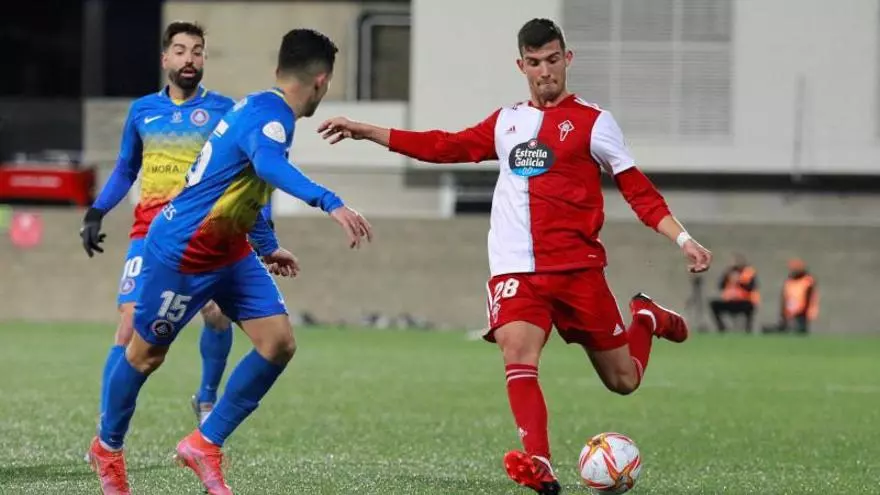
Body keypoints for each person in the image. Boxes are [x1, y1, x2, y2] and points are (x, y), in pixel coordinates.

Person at [318, 18, 711, 495]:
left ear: (568, 60)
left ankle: (645, 317)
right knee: (518, 352)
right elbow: (442, 146)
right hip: (516, 269)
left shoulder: (594, 122)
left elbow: (638, 191)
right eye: (534, 62)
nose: (545, 71)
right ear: (521, 66)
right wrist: (365, 130)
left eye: (553, 60)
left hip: (577, 270)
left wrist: (683, 239)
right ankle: (540, 463)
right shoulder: (506, 122)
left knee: (623, 380)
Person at [85, 28, 372, 495]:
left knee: (277, 343)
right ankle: (107, 448)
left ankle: (204, 443)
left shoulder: (257, 106)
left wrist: (265, 244)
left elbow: (242, 184)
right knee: (144, 355)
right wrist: (330, 201)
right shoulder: (271, 118)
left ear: (280, 70)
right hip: (183, 252)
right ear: (322, 81)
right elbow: (268, 166)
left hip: (232, 250)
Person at [78, 21, 262, 433]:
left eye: (197, 51)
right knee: (129, 323)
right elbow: (126, 169)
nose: (189, 59)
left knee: (217, 314)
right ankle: (108, 424)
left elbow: (246, 172)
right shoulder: (143, 110)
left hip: (203, 233)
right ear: (165, 59)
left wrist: (254, 225)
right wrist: (96, 211)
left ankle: (207, 397)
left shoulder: (225, 110)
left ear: (204, 58)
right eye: (180, 51)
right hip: (148, 234)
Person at [763, 258, 818, 334]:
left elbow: (809, 297)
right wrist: (784, 310)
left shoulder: (808, 281)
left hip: (802, 310)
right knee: (786, 328)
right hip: (790, 309)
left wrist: (804, 309)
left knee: (801, 329)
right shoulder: (789, 281)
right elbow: (785, 296)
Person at [709, 253, 760, 333]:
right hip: (730, 301)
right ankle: (722, 328)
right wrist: (726, 276)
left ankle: (748, 329)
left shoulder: (749, 272)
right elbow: (720, 286)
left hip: (744, 301)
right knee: (714, 304)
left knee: (750, 307)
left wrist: (739, 281)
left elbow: (752, 287)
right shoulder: (729, 272)